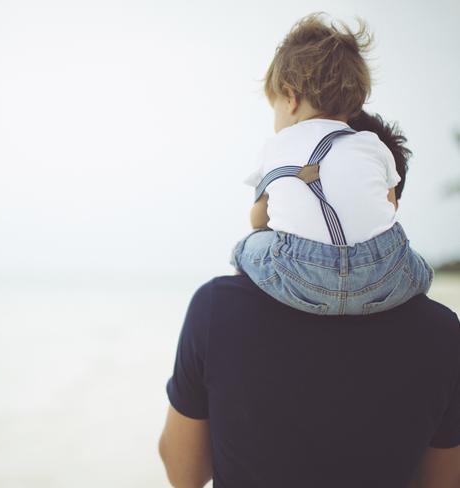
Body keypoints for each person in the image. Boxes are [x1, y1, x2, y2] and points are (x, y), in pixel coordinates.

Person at [158, 274, 460, 487]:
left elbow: (185, 474)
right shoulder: (441, 331)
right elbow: (441, 482)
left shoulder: (219, 306)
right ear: (392, 194)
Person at [229, 13, 433, 315]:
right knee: (421, 269)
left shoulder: (275, 146)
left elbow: (259, 217)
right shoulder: (373, 145)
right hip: (379, 275)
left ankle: (243, 301)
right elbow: (390, 208)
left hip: (301, 277)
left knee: (246, 247)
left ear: (290, 97)